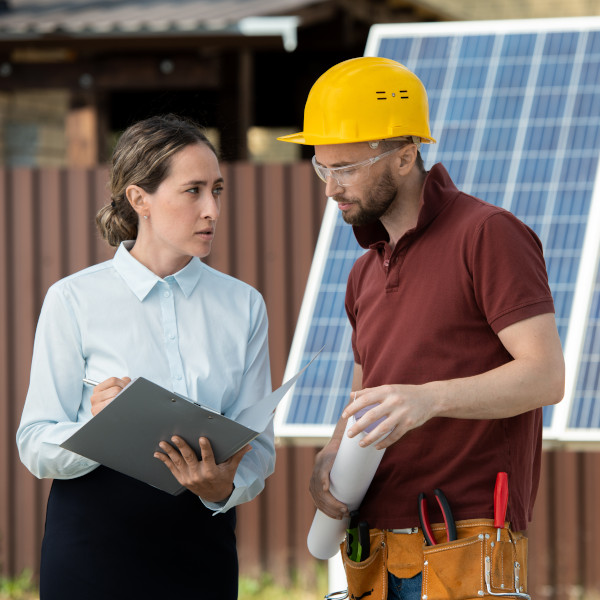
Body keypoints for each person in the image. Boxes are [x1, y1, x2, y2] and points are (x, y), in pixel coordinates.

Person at [278, 57, 565, 600]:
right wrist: (332, 450)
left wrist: (427, 400)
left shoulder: (488, 234)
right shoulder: (364, 269)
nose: (330, 189)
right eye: (322, 169)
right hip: (373, 550)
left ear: (405, 155)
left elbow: (545, 377)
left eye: (344, 168)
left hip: (465, 541)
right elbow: (367, 393)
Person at [17, 114, 275, 600]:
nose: (212, 210)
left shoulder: (244, 305)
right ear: (140, 200)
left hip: (203, 552)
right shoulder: (73, 300)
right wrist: (96, 430)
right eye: (193, 191)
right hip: (91, 558)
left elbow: (259, 448)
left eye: (217, 190)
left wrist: (222, 489)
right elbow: (34, 444)